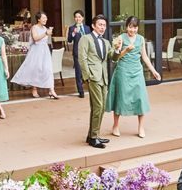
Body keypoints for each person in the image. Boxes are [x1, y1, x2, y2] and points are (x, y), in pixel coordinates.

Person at [107, 16, 160, 138]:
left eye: (135, 27)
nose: (132, 30)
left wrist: (153, 71)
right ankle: (115, 126)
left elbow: (144, 57)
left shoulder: (140, 39)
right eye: (130, 27)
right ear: (126, 27)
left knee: (140, 98)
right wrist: (126, 50)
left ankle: (141, 127)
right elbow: (116, 58)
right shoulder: (120, 38)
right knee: (120, 97)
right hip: (123, 71)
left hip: (137, 72)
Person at [78, 13, 112, 148]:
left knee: (100, 107)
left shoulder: (106, 42)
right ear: (93, 26)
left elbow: (112, 57)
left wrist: (118, 49)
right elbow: (82, 58)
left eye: (104, 25)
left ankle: (93, 135)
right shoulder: (85, 38)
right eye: (100, 25)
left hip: (104, 77)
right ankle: (93, 138)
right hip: (93, 77)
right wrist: (87, 76)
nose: (102, 27)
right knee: (98, 106)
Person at [10, 11, 58, 99]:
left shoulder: (45, 28)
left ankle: (51, 89)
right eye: (43, 18)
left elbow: (46, 41)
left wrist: (48, 35)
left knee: (48, 69)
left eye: (46, 18)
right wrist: (46, 33)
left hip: (45, 51)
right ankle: (34, 89)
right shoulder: (34, 28)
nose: (46, 19)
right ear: (38, 19)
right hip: (36, 51)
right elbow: (35, 38)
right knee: (35, 70)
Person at [67, 10, 87, 98]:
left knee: (85, 70)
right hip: (77, 52)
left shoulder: (87, 28)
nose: (77, 18)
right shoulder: (72, 28)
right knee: (78, 72)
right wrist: (73, 33)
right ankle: (81, 91)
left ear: (82, 18)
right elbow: (69, 40)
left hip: (87, 52)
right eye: (76, 17)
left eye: (79, 17)